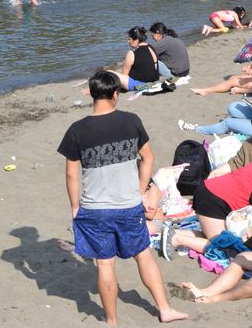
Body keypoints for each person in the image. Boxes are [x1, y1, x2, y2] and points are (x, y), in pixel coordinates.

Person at [56, 71, 187, 325]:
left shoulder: (77, 130)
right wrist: (139, 189)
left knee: (105, 265)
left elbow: (71, 175)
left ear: (92, 95)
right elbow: (148, 157)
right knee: (143, 254)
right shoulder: (131, 121)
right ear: (115, 94)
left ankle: (112, 321)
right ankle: (164, 309)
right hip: (128, 206)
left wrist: (75, 207)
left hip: (95, 209)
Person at [161, 145, 252, 258]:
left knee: (212, 235)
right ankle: (177, 239)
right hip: (213, 200)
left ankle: (172, 233)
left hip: (208, 190)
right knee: (221, 245)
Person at [179, 65, 252, 137]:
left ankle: (197, 128)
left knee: (227, 122)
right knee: (232, 107)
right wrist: (207, 90)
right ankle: (237, 126)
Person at [191, 20, 252, 96]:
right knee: (233, 78)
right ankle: (244, 89)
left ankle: (206, 91)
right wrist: (251, 65)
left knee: (233, 81)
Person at [107, 27, 159, 92]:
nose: (128, 41)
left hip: (139, 84)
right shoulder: (151, 47)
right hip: (154, 81)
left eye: (129, 39)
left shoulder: (132, 52)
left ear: (136, 39)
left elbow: (125, 75)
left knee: (108, 72)